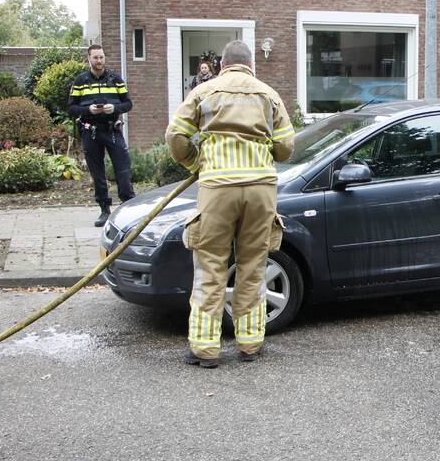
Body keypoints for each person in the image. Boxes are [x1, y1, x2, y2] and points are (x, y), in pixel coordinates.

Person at [166, 40, 294, 368]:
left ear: (223, 65)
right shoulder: (269, 94)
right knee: (253, 267)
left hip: (218, 189)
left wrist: (196, 162)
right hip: (260, 191)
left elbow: (175, 136)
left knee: (211, 267)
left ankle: (206, 349)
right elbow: (285, 148)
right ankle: (250, 344)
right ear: (251, 65)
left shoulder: (204, 92)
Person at [68, 44, 135, 227]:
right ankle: (104, 209)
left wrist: (115, 108)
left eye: (101, 57)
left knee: (123, 169)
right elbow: (71, 108)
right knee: (97, 173)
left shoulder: (115, 79)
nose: (99, 61)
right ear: (88, 58)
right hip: (91, 131)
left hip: (113, 130)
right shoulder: (80, 81)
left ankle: (128, 208)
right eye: (95, 57)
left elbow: (128, 103)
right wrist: (87, 109)